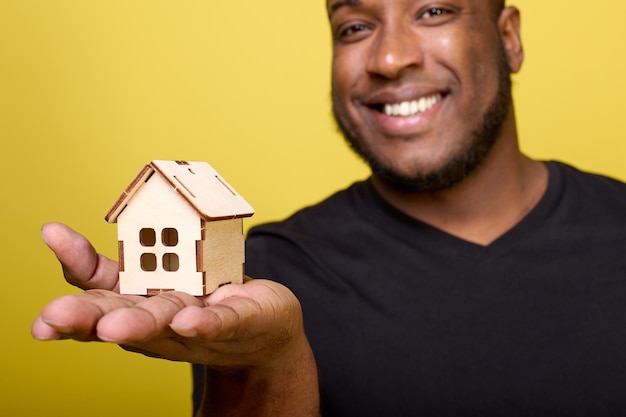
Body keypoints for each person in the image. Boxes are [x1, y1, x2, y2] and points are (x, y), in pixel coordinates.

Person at [32, 0, 626, 415]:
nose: (389, 59)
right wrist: (265, 368)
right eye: (355, 26)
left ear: (508, 36)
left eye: (434, 11)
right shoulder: (254, 279)